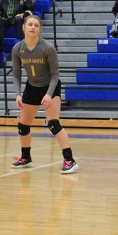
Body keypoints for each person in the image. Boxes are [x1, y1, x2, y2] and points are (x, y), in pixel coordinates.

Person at [9, 15, 76, 173]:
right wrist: (18, 94)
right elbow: (16, 74)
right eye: (30, 24)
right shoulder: (17, 49)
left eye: (36, 25)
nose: (32, 27)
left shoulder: (47, 48)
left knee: (53, 123)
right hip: (32, 87)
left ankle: (69, 160)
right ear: (23, 27)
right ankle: (26, 157)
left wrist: (48, 94)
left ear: (39, 29)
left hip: (50, 87)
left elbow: (55, 74)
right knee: (23, 125)